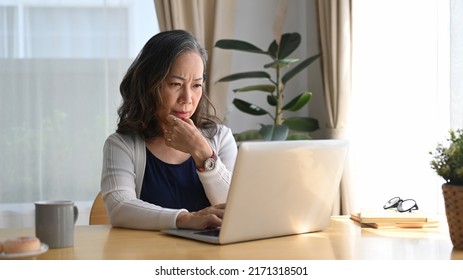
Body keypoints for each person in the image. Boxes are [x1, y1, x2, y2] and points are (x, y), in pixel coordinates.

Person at [100, 30, 237, 231]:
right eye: (175, 84)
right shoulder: (121, 145)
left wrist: (203, 153)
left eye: (196, 85)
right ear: (149, 85)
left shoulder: (220, 137)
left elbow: (235, 209)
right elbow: (119, 208)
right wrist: (184, 219)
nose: (187, 98)